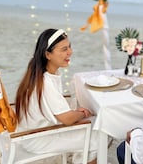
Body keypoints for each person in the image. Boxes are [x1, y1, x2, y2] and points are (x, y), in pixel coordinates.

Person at [15, 28, 98, 164]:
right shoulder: (45, 82)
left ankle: (80, 159)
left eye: (69, 47)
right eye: (64, 49)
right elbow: (67, 119)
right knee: (96, 136)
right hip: (38, 138)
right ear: (48, 54)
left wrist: (77, 113)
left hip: (32, 132)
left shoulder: (40, 75)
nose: (70, 52)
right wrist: (83, 113)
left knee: (94, 125)